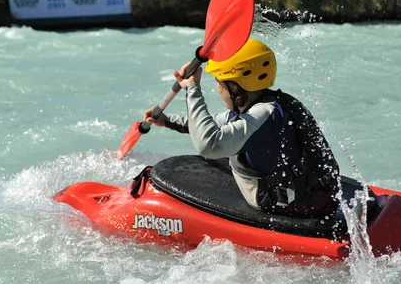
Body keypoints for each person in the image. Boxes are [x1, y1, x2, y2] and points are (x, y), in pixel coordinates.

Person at [143, 38, 340, 218]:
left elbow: (208, 145)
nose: (217, 89)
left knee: (227, 152)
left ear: (236, 87)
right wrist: (167, 120)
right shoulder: (270, 105)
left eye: (220, 83)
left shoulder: (263, 115)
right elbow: (215, 122)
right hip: (309, 191)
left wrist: (193, 89)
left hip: (280, 203)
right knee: (231, 142)